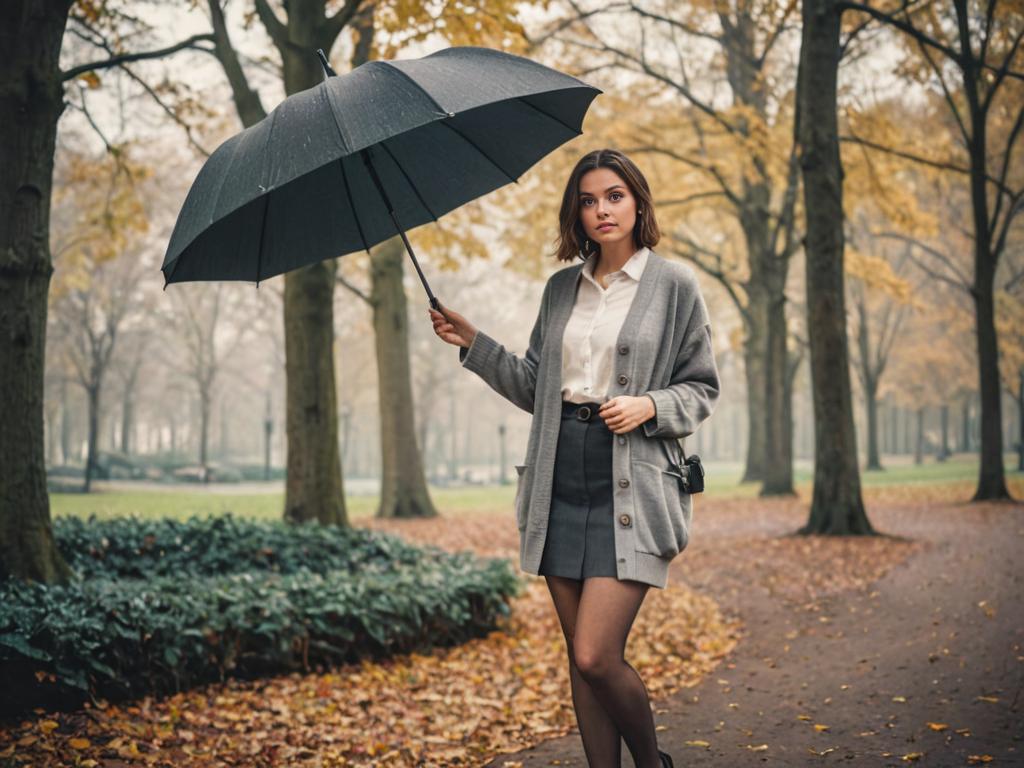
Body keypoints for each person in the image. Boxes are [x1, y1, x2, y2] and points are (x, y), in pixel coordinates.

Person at [429, 148, 720, 768]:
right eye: (587, 201)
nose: (601, 210)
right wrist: (473, 342)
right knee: (578, 661)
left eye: (613, 195)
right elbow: (539, 387)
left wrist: (648, 406)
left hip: (631, 483)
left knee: (596, 654)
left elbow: (702, 388)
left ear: (638, 201)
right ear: (576, 214)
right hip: (560, 478)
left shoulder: (673, 285)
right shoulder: (562, 289)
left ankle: (652, 764)